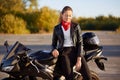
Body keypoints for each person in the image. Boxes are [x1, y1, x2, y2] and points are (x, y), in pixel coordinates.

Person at [51, 6, 92, 80]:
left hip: (75, 52)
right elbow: (53, 43)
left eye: (70, 15)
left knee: (88, 76)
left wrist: (79, 59)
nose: (68, 17)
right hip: (64, 53)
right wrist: (54, 49)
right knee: (69, 77)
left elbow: (80, 43)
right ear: (62, 14)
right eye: (66, 15)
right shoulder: (57, 28)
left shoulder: (76, 26)